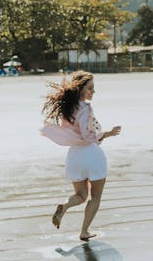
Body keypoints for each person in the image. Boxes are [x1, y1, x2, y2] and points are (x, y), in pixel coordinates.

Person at [41, 70, 121, 241]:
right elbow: (86, 136)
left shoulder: (68, 108)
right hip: (91, 155)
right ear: (81, 90)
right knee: (96, 197)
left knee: (80, 196)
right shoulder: (85, 107)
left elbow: (75, 133)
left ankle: (65, 206)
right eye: (90, 88)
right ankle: (84, 232)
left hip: (75, 156)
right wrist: (107, 134)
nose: (93, 92)